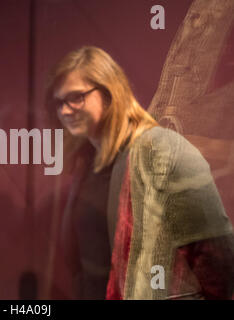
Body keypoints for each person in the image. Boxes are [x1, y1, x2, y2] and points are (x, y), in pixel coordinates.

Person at [46, 46, 234, 300]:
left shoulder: (163, 151)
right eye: (60, 102)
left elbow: (218, 267)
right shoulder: (86, 162)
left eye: (76, 97)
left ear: (109, 93)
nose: (65, 110)